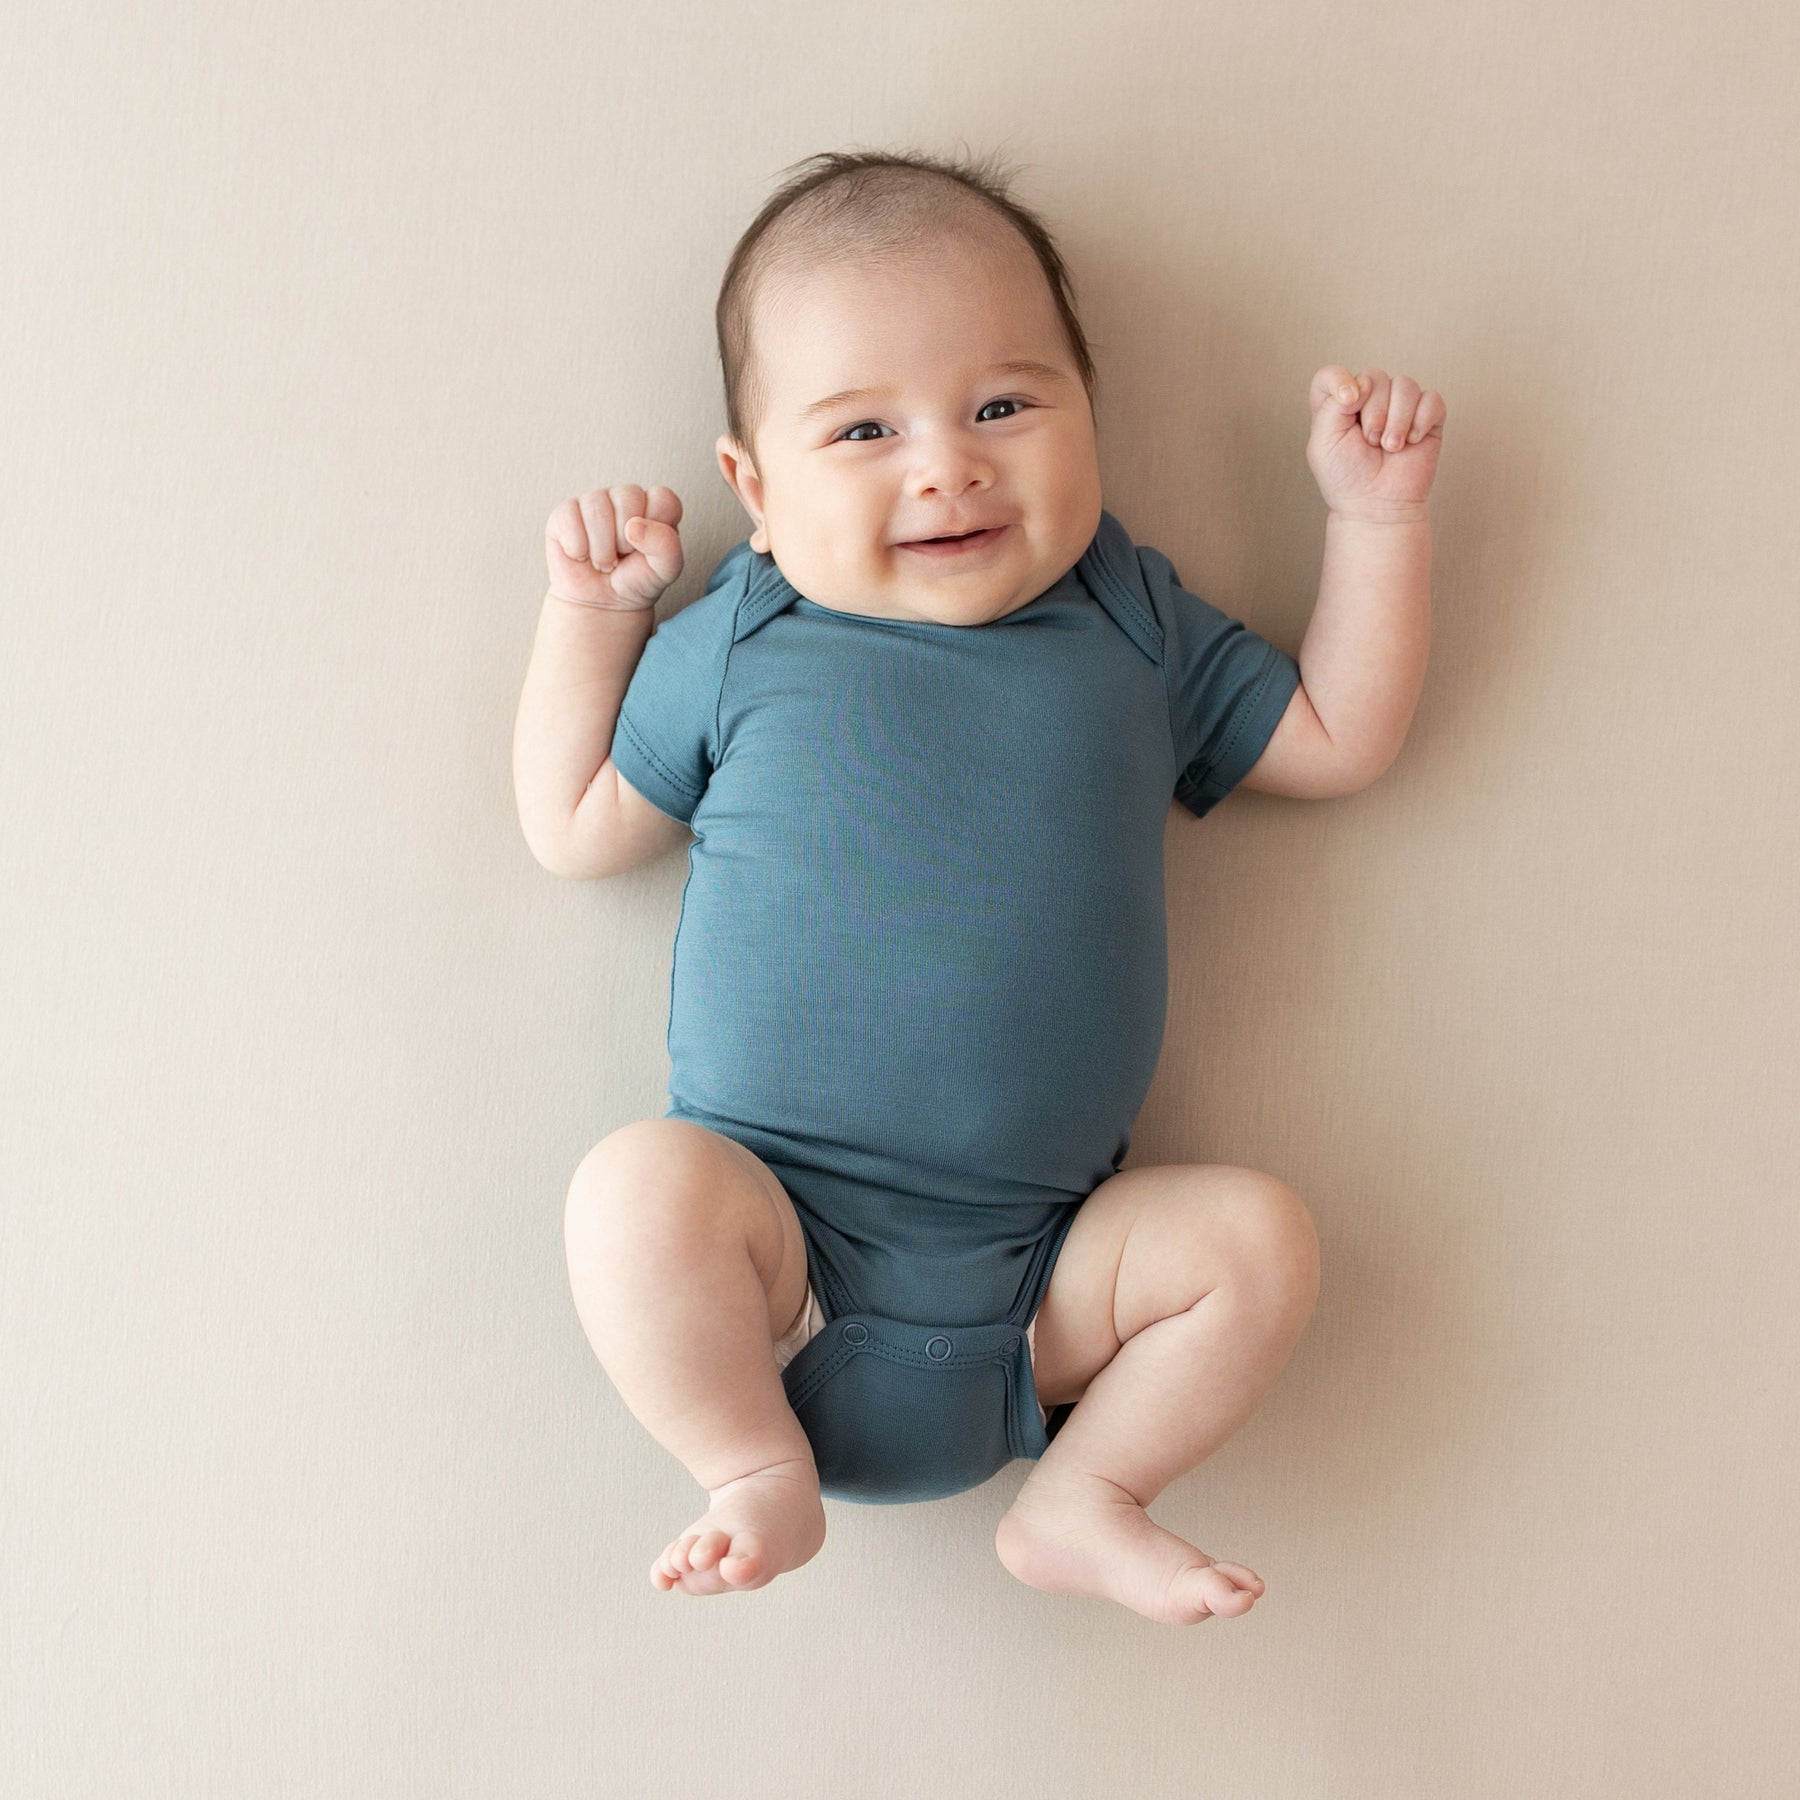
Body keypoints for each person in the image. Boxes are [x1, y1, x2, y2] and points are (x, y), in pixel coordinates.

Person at [512, 148, 1445, 1625]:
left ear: (1092, 417)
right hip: (782, 1260)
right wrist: (590, 616)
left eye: (1004, 405)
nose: (946, 463)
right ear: (752, 486)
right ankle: (749, 1467)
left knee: (1259, 1240)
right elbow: (574, 822)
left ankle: (1089, 1493)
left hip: (1054, 1287)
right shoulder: (744, 631)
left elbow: (1335, 738)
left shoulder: (1129, 616)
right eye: (864, 428)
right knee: (632, 1193)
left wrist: (1376, 524)